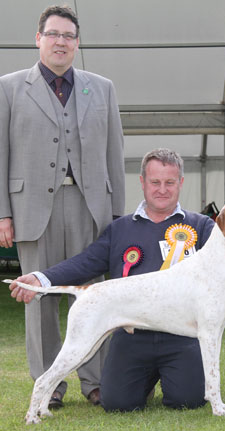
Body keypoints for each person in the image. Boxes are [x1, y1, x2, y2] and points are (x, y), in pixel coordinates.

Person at [10, 148, 225, 411]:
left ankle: (170, 380)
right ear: (142, 182)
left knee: (188, 400)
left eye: (170, 182)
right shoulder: (120, 229)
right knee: (117, 403)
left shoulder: (202, 225)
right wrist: (42, 278)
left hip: (182, 339)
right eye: (155, 182)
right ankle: (43, 396)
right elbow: (86, 263)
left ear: (181, 183)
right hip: (133, 338)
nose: (162, 189)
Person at [0, 5, 125, 408]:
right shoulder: (8, 88)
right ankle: (49, 384)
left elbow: (114, 154)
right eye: (52, 34)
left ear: (76, 43)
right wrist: (2, 212)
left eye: (68, 36)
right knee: (38, 295)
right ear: (38, 39)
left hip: (92, 207)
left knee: (95, 296)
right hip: (33, 208)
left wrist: (119, 216)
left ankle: (96, 379)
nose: (60, 41)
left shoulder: (102, 87)